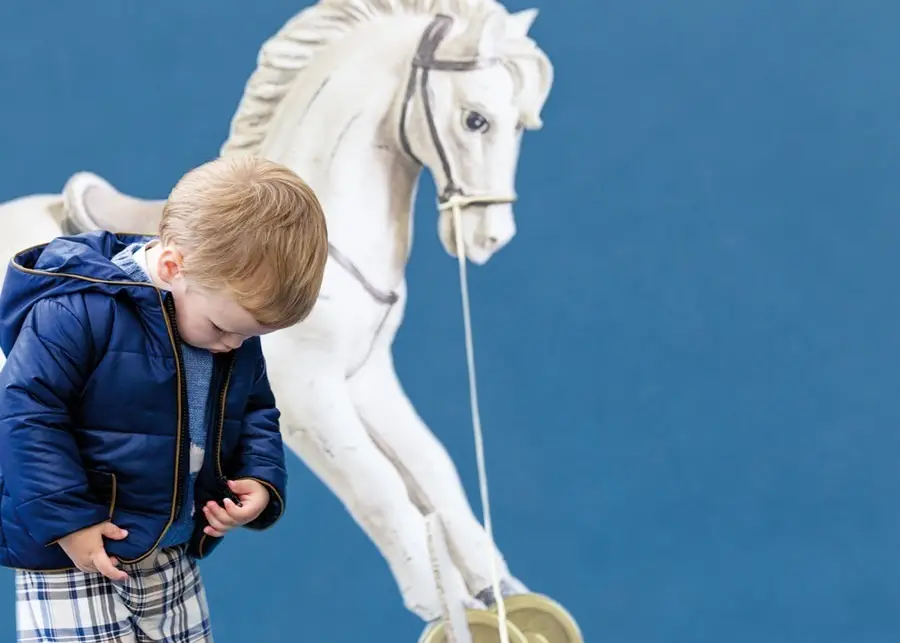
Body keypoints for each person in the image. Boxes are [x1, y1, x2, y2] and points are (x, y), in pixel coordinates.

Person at [0, 155, 329, 642]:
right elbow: (27, 417)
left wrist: (259, 479)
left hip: (170, 550)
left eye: (247, 335)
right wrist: (70, 522)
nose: (232, 346)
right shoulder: (78, 312)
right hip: (74, 554)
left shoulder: (224, 319)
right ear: (174, 266)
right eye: (223, 329)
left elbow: (257, 408)